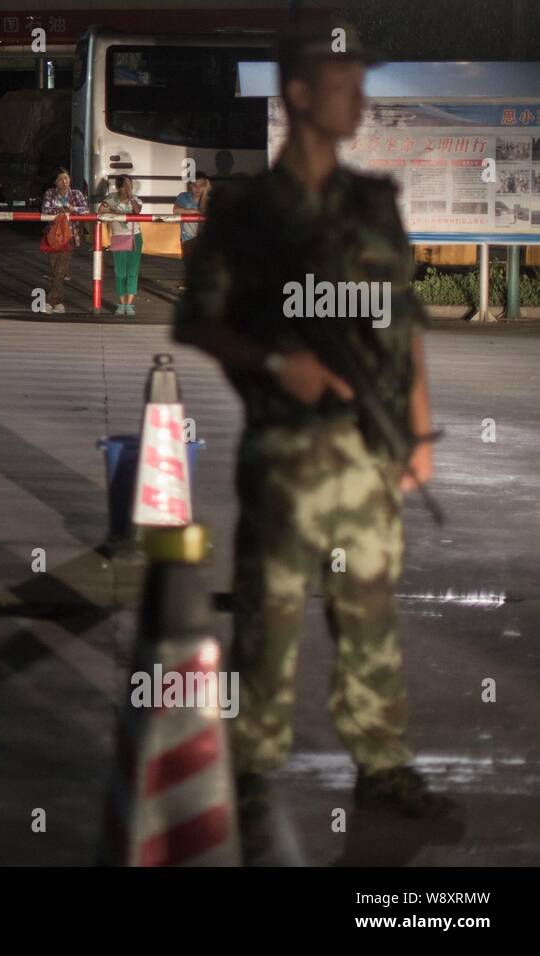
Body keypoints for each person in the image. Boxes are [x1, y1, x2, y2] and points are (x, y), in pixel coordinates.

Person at [172, 23, 457, 863]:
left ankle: (385, 771)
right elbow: (198, 319)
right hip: (287, 454)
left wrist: (417, 426)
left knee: (371, 617)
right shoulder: (247, 209)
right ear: (299, 93)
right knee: (269, 622)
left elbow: (404, 326)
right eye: (342, 79)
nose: (358, 94)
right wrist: (273, 362)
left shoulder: (374, 202)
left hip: (367, 449)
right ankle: (251, 778)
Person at [39, 167, 89, 314]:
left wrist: (72, 208)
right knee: (55, 269)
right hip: (52, 236)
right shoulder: (50, 193)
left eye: (66, 178)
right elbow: (45, 209)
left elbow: (85, 210)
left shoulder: (76, 194)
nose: (64, 182)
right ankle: (58, 303)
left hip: (70, 236)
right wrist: (60, 210)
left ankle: (51, 301)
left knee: (60, 269)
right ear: (55, 182)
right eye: (60, 179)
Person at [101, 174, 143, 315]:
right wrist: (117, 212)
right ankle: (121, 303)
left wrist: (131, 196)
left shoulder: (135, 199)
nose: (127, 187)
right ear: (118, 186)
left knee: (133, 271)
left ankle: (130, 304)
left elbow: (137, 211)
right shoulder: (111, 198)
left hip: (135, 236)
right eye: (124, 184)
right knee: (120, 272)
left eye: (129, 184)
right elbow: (101, 210)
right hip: (118, 237)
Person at [173, 171, 211, 265]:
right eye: (195, 185)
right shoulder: (184, 197)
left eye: (202, 185)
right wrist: (195, 212)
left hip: (205, 241)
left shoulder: (210, 200)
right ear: (190, 185)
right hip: (187, 240)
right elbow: (176, 210)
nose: (198, 189)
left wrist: (206, 193)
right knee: (189, 267)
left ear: (206, 186)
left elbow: (204, 211)